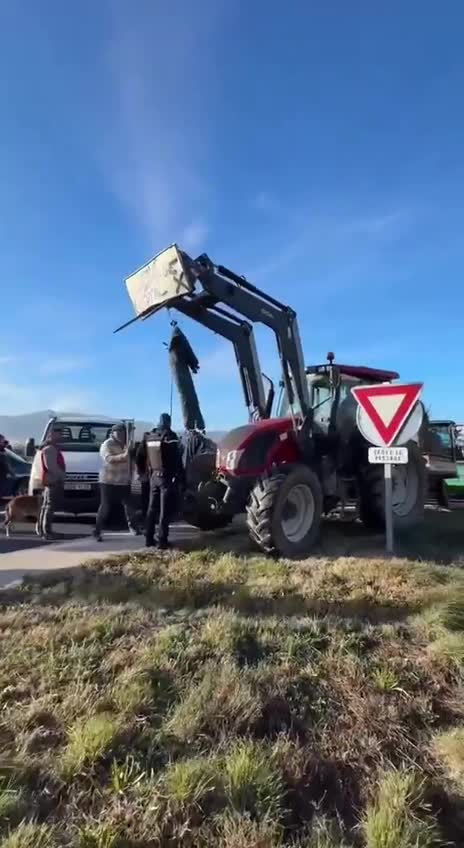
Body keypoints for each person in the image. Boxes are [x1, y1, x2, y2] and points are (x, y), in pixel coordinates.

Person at [136, 413, 184, 549]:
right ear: (169, 423)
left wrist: (142, 472)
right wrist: (181, 478)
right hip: (166, 478)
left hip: (153, 477)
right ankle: (162, 541)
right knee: (164, 510)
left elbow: (139, 456)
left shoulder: (149, 436)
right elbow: (177, 459)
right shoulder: (171, 437)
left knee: (151, 509)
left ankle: (149, 539)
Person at [94, 423, 140, 542]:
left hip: (124, 481)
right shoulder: (107, 444)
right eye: (118, 432)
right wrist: (125, 455)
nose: (121, 434)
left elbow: (132, 461)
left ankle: (134, 527)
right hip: (108, 481)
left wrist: (135, 471)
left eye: (123, 432)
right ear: (112, 433)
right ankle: (97, 530)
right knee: (105, 506)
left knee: (129, 506)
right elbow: (110, 459)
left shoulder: (127, 444)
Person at [37, 427, 66, 539]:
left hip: (52, 480)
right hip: (53, 480)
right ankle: (47, 532)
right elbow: (51, 467)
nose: (60, 437)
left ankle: (43, 530)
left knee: (46, 506)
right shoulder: (50, 449)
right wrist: (63, 476)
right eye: (58, 435)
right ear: (52, 436)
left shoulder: (52, 448)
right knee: (49, 506)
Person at [0, 434, 13, 499]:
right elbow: (6, 464)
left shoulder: (3, 450)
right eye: (2, 440)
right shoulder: (2, 453)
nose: (3, 442)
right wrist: (12, 473)